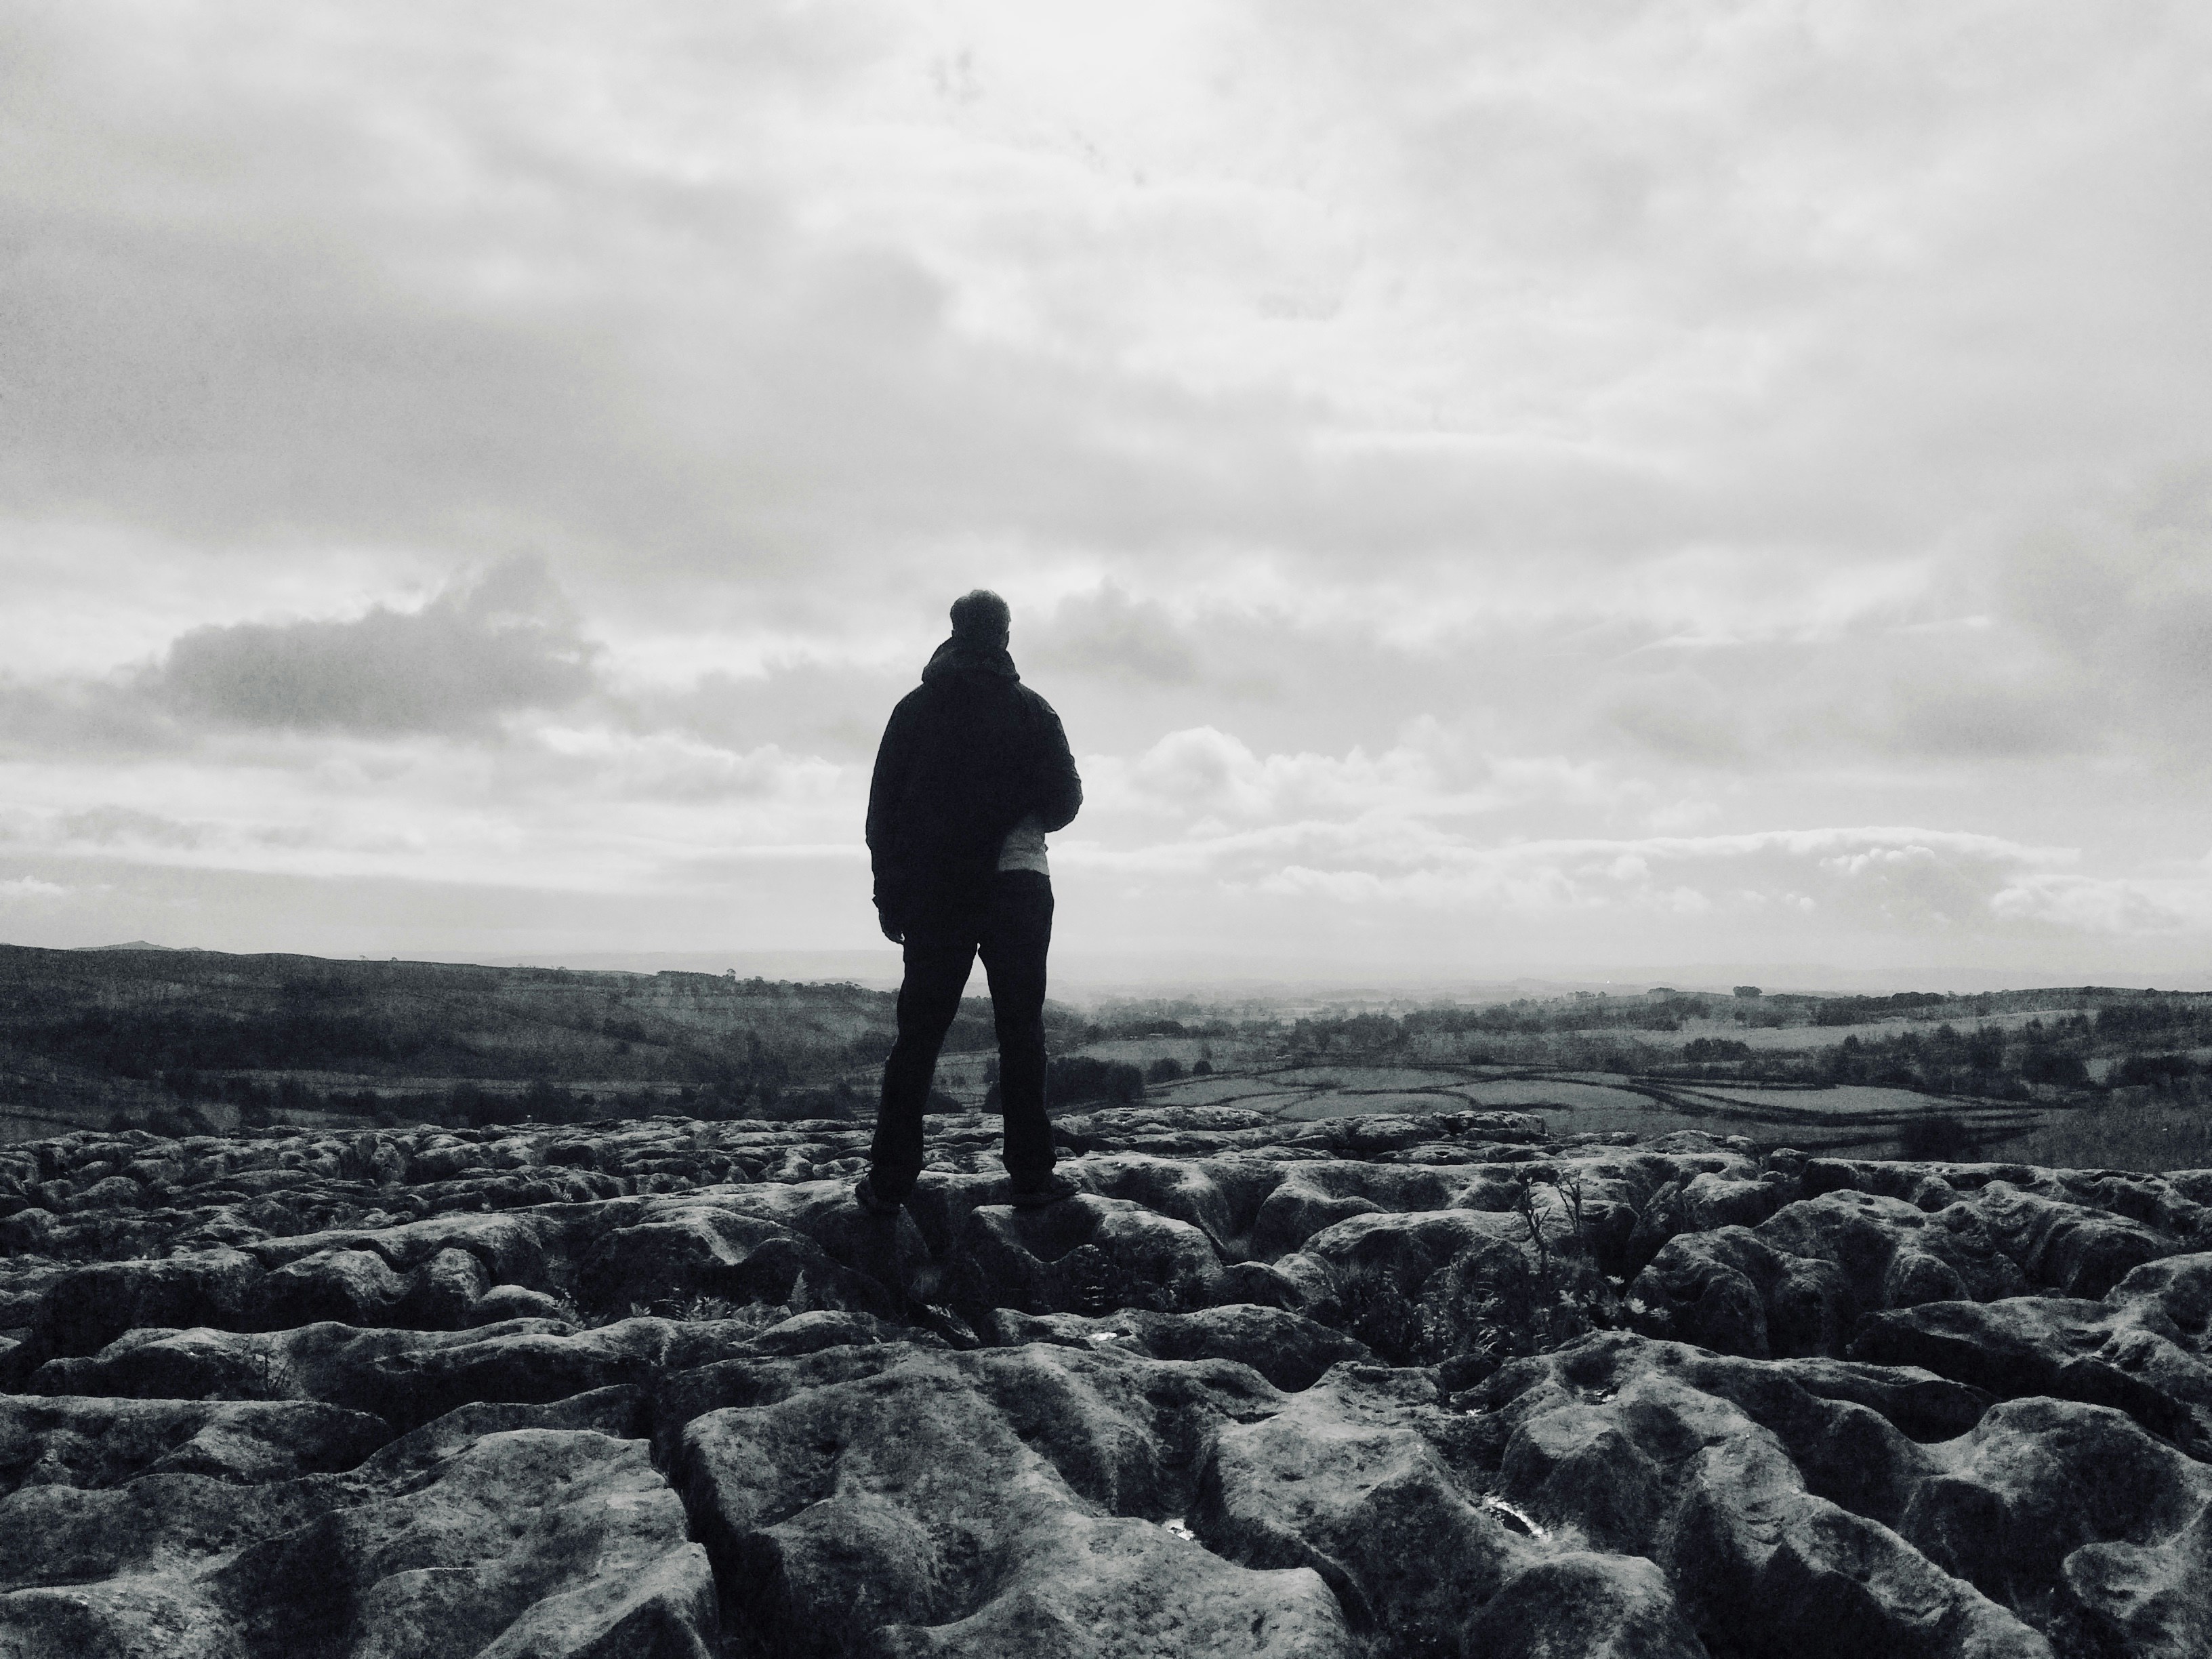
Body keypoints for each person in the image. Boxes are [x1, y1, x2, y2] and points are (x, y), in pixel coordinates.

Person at [855, 589, 1083, 1215]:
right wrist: (1011, 806)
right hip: (1017, 882)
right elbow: (1066, 799)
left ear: (954, 631)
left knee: (920, 1036)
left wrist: (889, 893)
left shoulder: (916, 710)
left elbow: (882, 813)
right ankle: (1032, 1178)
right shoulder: (1033, 712)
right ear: (1005, 636)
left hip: (936, 889)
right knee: (1021, 1031)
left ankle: (891, 1180)